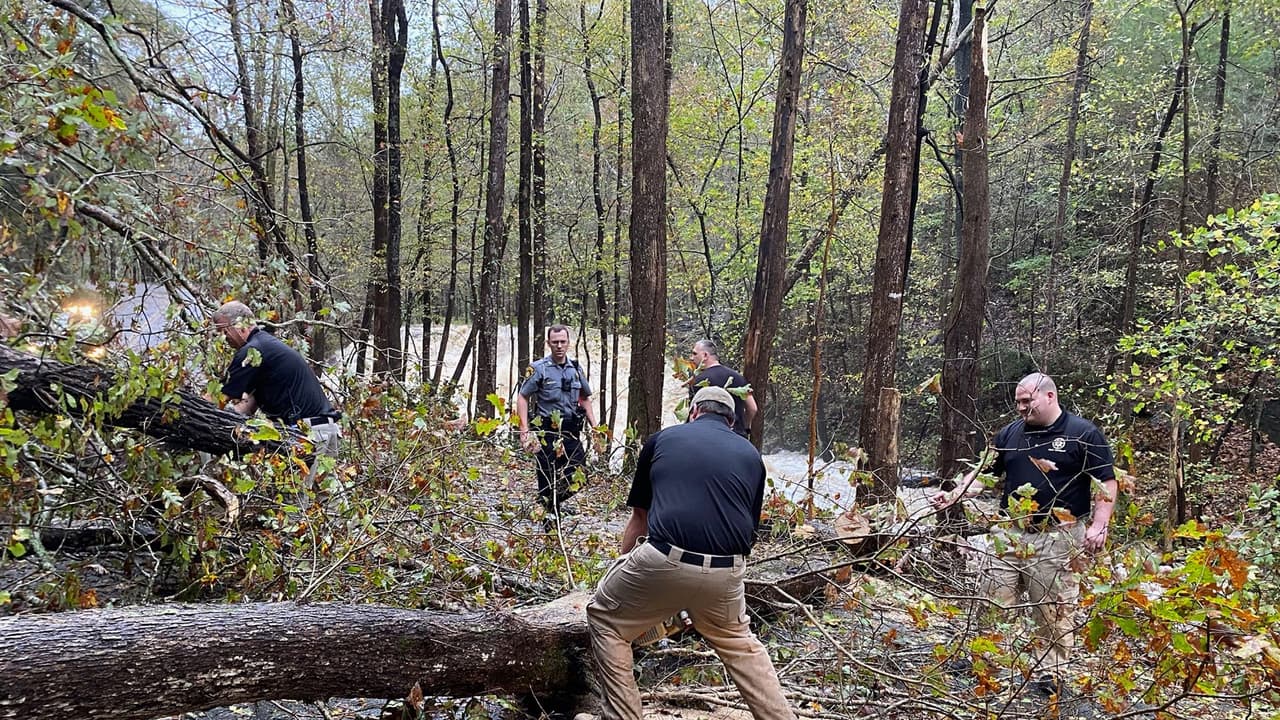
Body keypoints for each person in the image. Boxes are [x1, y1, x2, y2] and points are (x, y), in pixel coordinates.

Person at [586, 386, 795, 720]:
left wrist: (624, 570)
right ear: (731, 422)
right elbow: (748, 530)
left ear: (693, 412)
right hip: (728, 570)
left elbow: (640, 520)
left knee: (605, 618)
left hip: (663, 558)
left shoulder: (662, 439)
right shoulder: (751, 455)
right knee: (740, 643)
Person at [930, 372, 1116, 696]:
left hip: (1058, 536)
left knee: (1052, 609)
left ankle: (1051, 673)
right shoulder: (1010, 433)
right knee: (992, 598)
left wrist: (1100, 525)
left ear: (1049, 396)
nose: (1020, 407)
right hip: (1009, 532)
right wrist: (955, 494)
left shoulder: (1083, 433)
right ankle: (985, 662)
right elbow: (984, 474)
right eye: (1017, 402)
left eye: (1026, 401)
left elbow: (1106, 482)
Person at [211, 301, 342, 456]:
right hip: (323, 430)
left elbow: (217, 399)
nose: (223, 338)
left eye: (224, 331)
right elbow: (248, 406)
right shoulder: (266, 347)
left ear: (240, 325)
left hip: (310, 434)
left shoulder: (252, 351)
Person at [517, 325, 599, 516]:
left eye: (563, 342)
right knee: (547, 481)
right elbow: (523, 397)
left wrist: (595, 428)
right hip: (547, 433)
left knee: (579, 476)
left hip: (570, 432)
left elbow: (584, 398)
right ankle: (550, 518)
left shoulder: (575, 369)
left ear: (568, 343)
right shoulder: (539, 369)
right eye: (555, 342)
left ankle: (548, 503)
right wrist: (524, 429)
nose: (559, 346)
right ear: (548, 343)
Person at [687, 338, 757, 438]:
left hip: (708, 436)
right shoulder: (738, 377)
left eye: (694, 354)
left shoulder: (699, 381)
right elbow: (753, 408)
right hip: (736, 436)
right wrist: (744, 427)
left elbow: (693, 415)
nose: (691, 358)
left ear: (705, 355)